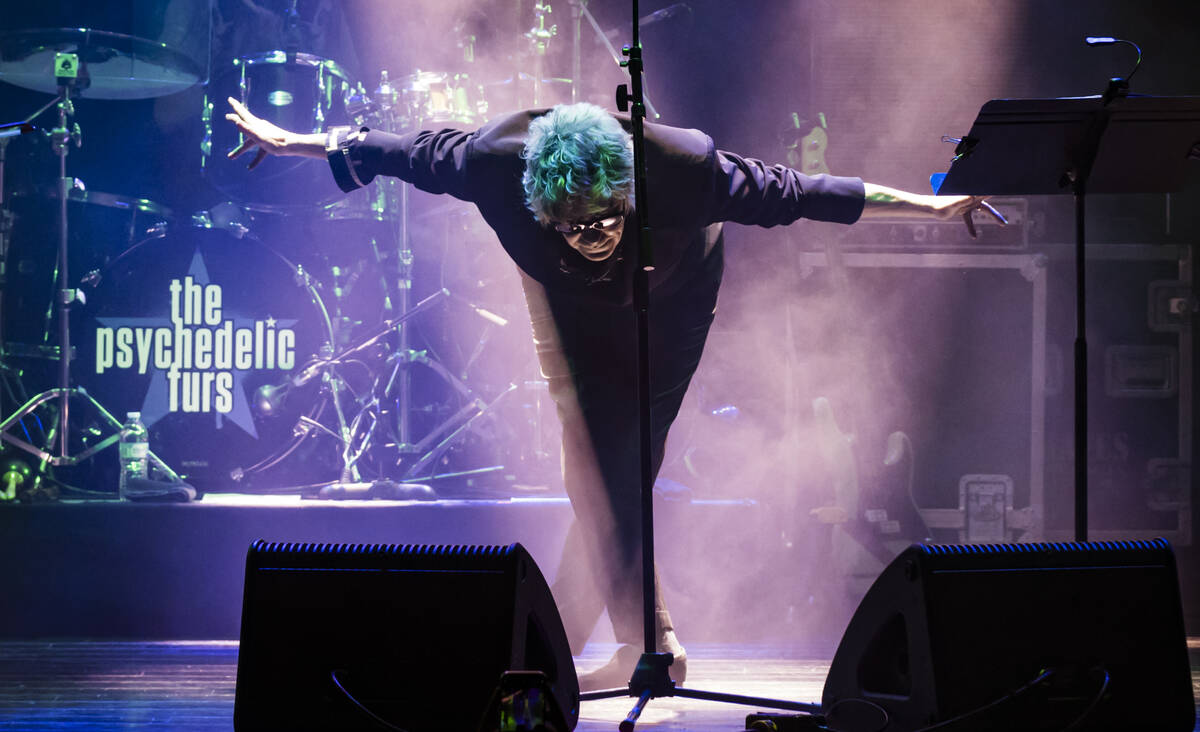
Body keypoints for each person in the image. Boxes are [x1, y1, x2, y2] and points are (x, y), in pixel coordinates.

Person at [225, 97, 1001, 690]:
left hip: (673, 295)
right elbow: (396, 149)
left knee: (619, 463)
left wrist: (931, 204)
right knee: (593, 467)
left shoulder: (683, 167)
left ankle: (617, 646)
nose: (592, 233)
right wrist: (296, 139)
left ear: (627, 190)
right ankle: (632, 645)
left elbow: (802, 191)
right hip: (562, 303)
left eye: (604, 218)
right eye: (572, 224)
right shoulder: (492, 163)